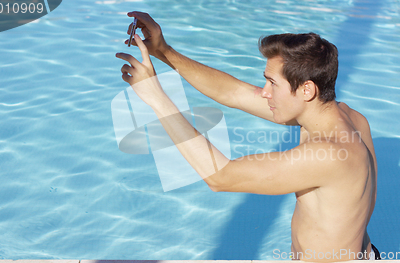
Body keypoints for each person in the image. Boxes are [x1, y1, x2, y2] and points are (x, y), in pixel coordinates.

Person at [116, 11, 379, 262]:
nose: (265, 92)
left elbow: (221, 177)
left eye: (272, 83)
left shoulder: (329, 154)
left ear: (307, 89)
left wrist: (156, 97)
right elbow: (233, 93)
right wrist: (163, 50)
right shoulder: (349, 118)